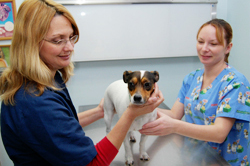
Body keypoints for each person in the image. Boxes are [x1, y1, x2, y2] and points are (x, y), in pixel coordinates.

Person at [0, 0, 164, 166]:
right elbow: (94, 163)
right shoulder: (34, 101)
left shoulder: (49, 78)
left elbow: (62, 124)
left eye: (72, 37)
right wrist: (130, 114)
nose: (70, 47)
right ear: (30, 43)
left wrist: (99, 111)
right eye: (58, 40)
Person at [140, 18, 250, 166]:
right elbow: (174, 115)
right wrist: (142, 106)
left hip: (224, 162)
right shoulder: (191, 78)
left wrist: (173, 126)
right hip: (196, 159)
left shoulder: (236, 83)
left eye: (213, 44)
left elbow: (219, 133)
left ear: (228, 47)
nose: (204, 48)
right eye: (200, 41)